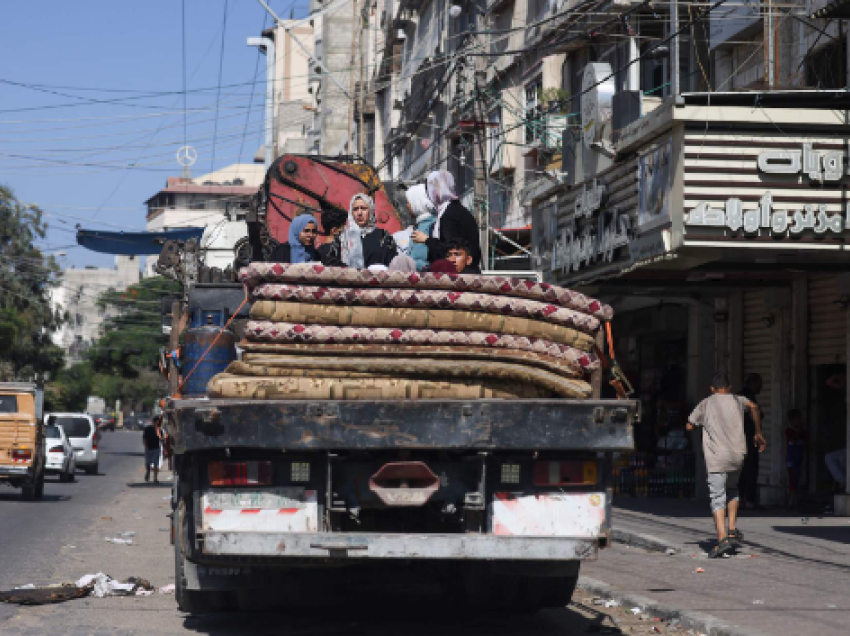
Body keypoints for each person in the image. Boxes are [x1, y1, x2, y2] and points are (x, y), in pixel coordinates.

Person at [686, 372, 766, 558]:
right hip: (737, 456)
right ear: (729, 388)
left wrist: (700, 425)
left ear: (712, 389)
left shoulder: (706, 403)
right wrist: (758, 432)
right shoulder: (738, 399)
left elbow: (689, 425)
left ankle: (722, 539)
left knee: (717, 497)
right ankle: (731, 529)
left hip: (717, 458)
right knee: (732, 490)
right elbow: (754, 407)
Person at [411, 170, 481, 270]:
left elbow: (450, 249)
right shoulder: (457, 210)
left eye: (431, 188)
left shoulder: (448, 215)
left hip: (460, 277)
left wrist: (426, 240)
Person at [341, 193, 398, 268]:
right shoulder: (343, 238)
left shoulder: (383, 236)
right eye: (355, 209)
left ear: (371, 210)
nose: (359, 213)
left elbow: (393, 264)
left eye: (363, 208)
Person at [248, 213, 320, 263]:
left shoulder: (316, 255)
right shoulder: (283, 252)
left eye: (313, 231)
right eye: (306, 231)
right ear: (296, 231)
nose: (310, 235)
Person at [738, 373, 763, 509]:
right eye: (759, 384)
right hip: (747, 436)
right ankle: (748, 499)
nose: (760, 387)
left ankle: (742, 498)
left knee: (745, 468)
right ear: (752, 384)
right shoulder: (746, 398)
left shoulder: (740, 396)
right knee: (751, 467)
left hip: (740, 437)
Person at [404, 184, 436, 270]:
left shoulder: (433, 224)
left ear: (417, 202)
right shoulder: (419, 225)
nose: (407, 206)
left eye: (408, 202)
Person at [784, 409, 807, 508]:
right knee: (792, 479)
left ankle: (795, 500)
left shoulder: (802, 431)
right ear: (791, 420)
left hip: (799, 456)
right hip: (791, 457)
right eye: (797, 419)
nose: (799, 421)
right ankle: (791, 500)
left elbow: (806, 439)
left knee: (797, 478)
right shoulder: (789, 431)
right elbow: (792, 441)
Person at [142, 416, 162, 484]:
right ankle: (148, 472)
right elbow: (144, 438)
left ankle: (155, 478)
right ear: (155, 422)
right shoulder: (148, 429)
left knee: (156, 464)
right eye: (158, 422)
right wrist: (146, 447)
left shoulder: (159, 430)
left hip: (156, 449)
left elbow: (162, 439)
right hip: (149, 448)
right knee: (148, 463)